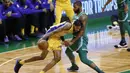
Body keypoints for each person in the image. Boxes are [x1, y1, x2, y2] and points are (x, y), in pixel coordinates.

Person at [14, 19, 83, 73]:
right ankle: (22, 63)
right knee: (48, 57)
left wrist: (63, 40)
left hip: (57, 38)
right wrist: (43, 38)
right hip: (50, 35)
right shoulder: (68, 25)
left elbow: (61, 33)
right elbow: (55, 30)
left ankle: (24, 64)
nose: (78, 29)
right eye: (77, 28)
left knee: (53, 58)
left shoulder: (74, 27)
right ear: (74, 24)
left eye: (79, 28)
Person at [63, 1, 104, 73]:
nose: (73, 8)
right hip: (75, 37)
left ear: (79, 7)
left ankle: (100, 72)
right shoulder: (75, 14)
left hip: (81, 39)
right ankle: (74, 66)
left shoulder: (83, 16)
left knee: (84, 59)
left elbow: (81, 32)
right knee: (68, 51)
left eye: (75, 7)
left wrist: (72, 41)